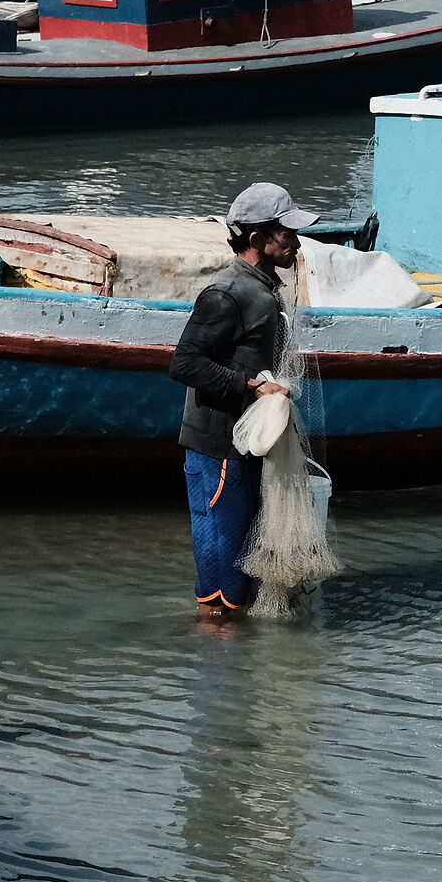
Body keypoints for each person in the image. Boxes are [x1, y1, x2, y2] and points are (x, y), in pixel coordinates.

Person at [170, 181, 317, 619]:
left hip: (247, 443)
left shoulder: (265, 289)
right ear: (258, 239)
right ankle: (217, 645)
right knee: (225, 564)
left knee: (242, 551)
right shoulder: (227, 294)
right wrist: (252, 386)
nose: (296, 244)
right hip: (219, 448)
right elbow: (185, 364)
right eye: (287, 234)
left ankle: (235, 658)